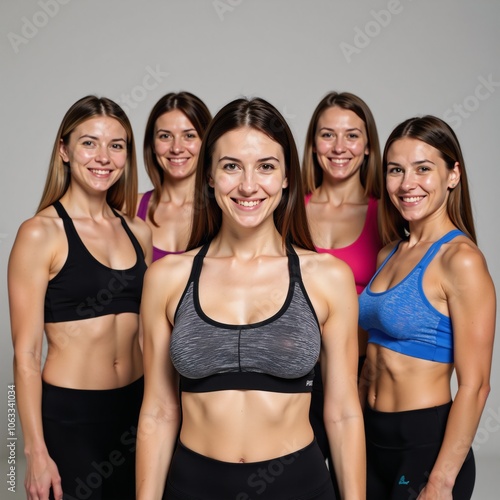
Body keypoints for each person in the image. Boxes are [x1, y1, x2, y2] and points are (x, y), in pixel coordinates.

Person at [136, 97, 365, 499]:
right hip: (193, 487)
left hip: (299, 487)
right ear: (208, 175)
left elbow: (344, 413)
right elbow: (157, 411)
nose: (247, 185)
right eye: (231, 167)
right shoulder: (167, 277)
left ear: (287, 177)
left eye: (266, 166)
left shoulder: (327, 277)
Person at [8, 95, 152, 500]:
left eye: (116, 145)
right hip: (72, 418)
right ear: (64, 150)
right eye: (89, 142)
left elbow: (147, 334)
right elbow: (25, 353)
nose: (103, 157)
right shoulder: (40, 233)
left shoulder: (138, 232)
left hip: (135, 410)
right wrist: (34, 450)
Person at [358, 115, 496, 499]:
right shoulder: (389, 252)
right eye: (396, 170)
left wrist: (440, 482)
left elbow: (476, 385)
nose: (407, 184)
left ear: (453, 175)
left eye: (423, 169)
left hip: (422, 444)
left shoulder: (460, 260)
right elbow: (372, 362)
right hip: (372, 438)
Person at [301, 91, 383, 490]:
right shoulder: (287, 210)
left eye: (352, 135)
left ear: (368, 146)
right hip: (298, 374)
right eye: (327, 135)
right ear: (313, 143)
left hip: (365, 375)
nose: (339, 147)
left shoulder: (389, 214)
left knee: (360, 484)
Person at [137, 91, 212, 261]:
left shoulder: (224, 211)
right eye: (165, 136)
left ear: (206, 142)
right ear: (152, 145)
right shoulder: (129, 208)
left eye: (189, 136)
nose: (176, 148)